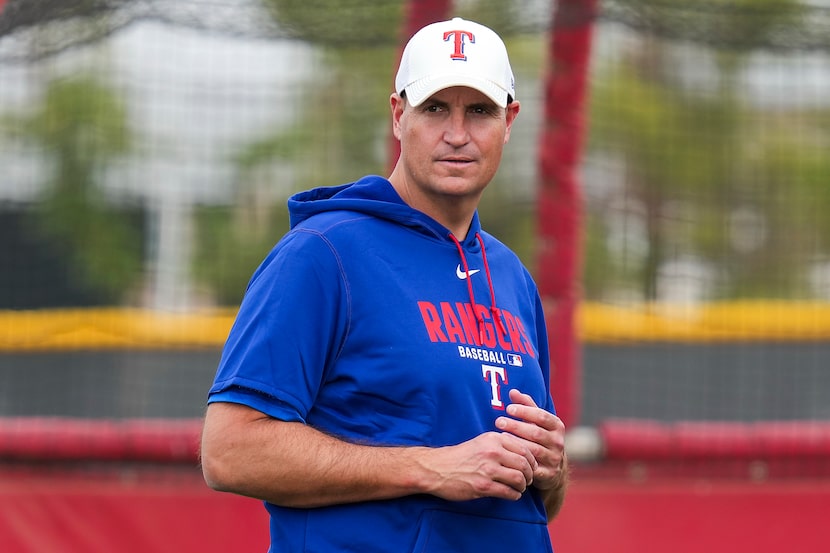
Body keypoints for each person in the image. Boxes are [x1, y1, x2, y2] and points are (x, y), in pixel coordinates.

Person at [200, 16, 568, 553]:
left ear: (509, 121)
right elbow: (229, 451)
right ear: (399, 116)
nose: (458, 134)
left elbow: (535, 506)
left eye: (481, 111)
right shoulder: (324, 253)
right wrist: (430, 468)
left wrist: (552, 471)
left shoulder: (512, 277)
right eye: (436, 108)